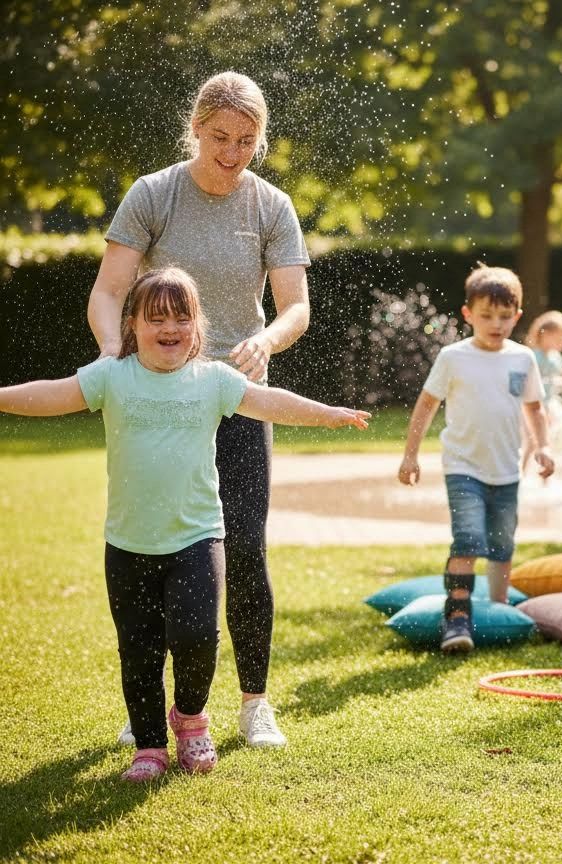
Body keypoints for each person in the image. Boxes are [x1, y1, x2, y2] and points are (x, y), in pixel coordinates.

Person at [1, 268, 369, 781]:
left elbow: (270, 402)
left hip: (197, 537)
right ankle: (149, 746)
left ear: (198, 327)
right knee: (139, 648)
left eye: (182, 316)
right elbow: (52, 394)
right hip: (128, 543)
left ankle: (191, 718)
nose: (169, 326)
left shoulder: (213, 381)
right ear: (132, 324)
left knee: (197, 635)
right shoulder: (112, 376)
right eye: (156, 317)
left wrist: (327, 413)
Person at [86, 71, 311, 748]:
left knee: (244, 547)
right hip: (160, 399)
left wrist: (266, 337)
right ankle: (149, 715)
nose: (233, 151)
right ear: (196, 129)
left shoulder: (271, 205)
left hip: (237, 395)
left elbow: (295, 305)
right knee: (152, 551)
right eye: (220, 137)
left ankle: (254, 704)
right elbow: (109, 291)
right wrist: (111, 354)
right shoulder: (155, 194)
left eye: (246, 140)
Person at [398, 264, 555, 653]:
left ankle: (499, 612)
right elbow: (426, 404)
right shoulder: (454, 357)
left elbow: (535, 408)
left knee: (503, 545)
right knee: (468, 539)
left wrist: (544, 446)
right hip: (462, 467)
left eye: (505, 317)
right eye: (486, 316)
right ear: (468, 314)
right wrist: (410, 455)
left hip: (506, 469)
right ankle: (457, 619)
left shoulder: (523, 359)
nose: (495, 324)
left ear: (517, 317)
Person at [521, 309, 562, 472]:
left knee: (546, 439)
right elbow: (531, 381)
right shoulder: (534, 356)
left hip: (548, 405)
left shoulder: (555, 356)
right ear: (546, 334)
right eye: (561, 339)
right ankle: (521, 472)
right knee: (531, 440)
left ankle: (545, 474)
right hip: (533, 407)